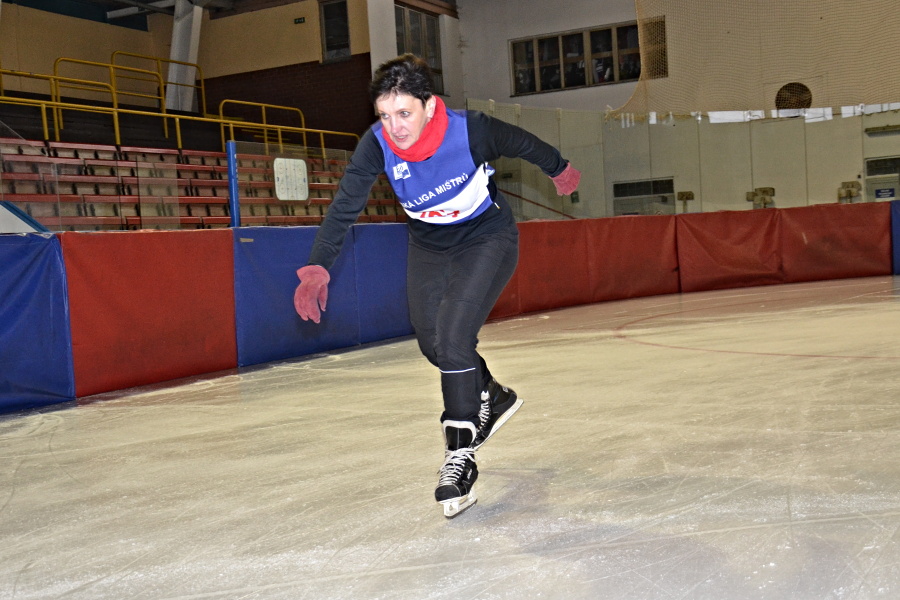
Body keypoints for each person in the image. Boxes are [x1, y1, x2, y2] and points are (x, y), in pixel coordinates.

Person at [293, 54, 580, 518]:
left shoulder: (472, 131)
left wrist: (559, 168)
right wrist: (317, 266)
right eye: (385, 115)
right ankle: (492, 394)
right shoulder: (377, 145)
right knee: (433, 343)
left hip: (487, 238)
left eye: (404, 113)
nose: (395, 127)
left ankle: (459, 455)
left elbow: (523, 142)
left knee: (453, 337)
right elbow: (345, 204)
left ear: (428, 106)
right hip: (429, 246)